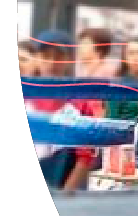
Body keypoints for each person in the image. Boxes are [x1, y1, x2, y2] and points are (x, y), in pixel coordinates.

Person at [26, 30, 97, 190]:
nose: (52, 62)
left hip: (63, 183)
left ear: (68, 60)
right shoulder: (26, 96)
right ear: (36, 58)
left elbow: (85, 156)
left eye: (58, 56)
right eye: (46, 56)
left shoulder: (79, 102)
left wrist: (66, 194)